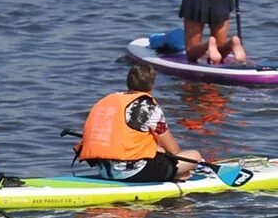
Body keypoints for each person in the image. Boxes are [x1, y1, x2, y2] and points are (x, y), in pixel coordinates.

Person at [75, 62, 205, 183]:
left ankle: (176, 174)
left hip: (104, 171)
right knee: (195, 156)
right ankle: (177, 175)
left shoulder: (108, 101)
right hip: (133, 173)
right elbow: (174, 150)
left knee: (159, 152)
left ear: (128, 83)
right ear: (152, 85)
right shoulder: (147, 106)